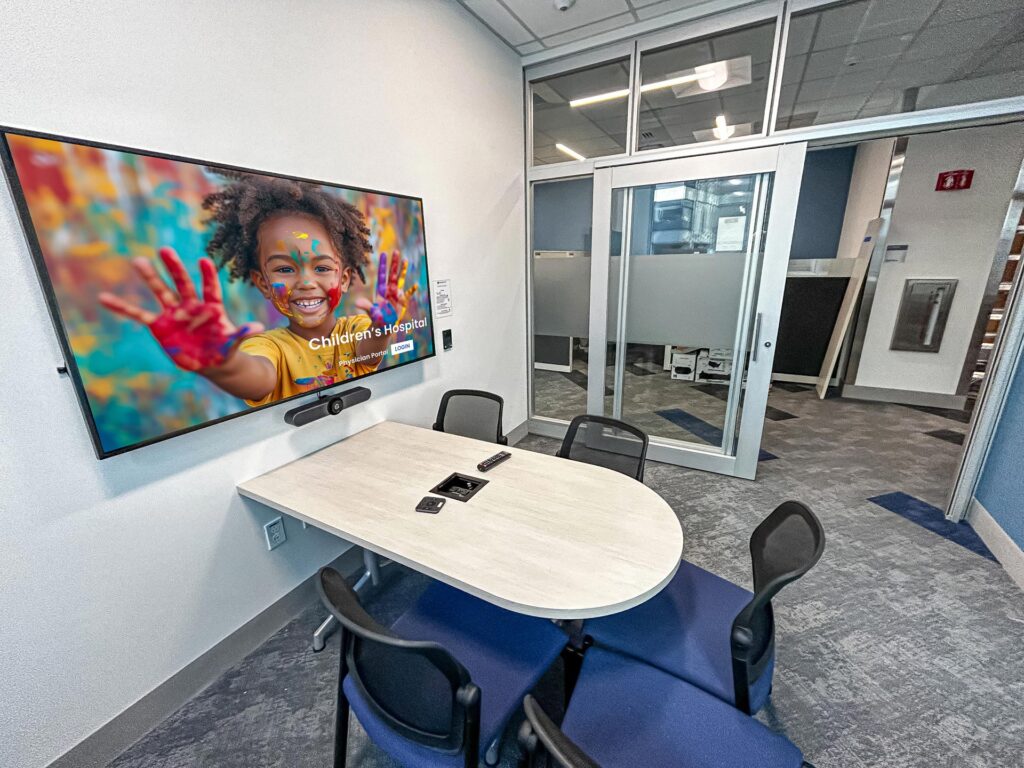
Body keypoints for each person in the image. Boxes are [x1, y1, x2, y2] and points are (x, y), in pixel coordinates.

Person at [99, 170, 415, 406]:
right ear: (263, 282)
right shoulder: (268, 347)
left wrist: (381, 328)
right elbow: (256, 377)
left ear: (344, 279)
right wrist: (222, 365)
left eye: (321, 268)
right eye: (285, 269)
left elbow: (368, 350)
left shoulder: (356, 329)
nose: (305, 282)